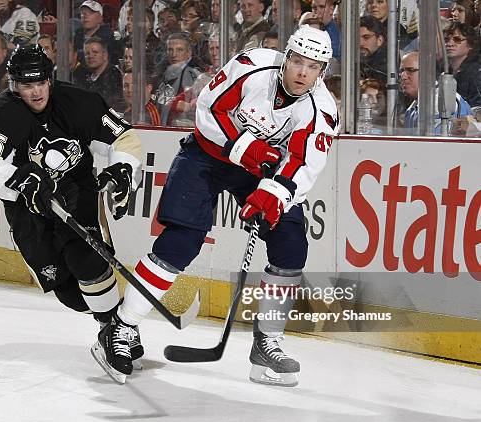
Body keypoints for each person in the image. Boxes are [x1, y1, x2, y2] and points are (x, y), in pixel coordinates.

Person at [96, 26, 339, 385]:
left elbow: (303, 163)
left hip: (260, 171)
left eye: (313, 67)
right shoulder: (252, 66)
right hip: (207, 157)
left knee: (291, 243)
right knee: (181, 242)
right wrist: (248, 147)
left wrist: (273, 195)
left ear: (323, 71)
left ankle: (267, 342)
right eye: (298, 61)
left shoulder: (322, 110)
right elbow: (208, 111)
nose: (303, 72)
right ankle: (121, 327)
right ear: (286, 57)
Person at [0, 45, 145, 382]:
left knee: (89, 261)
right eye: (26, 85)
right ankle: (114, 320)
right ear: (14, 85)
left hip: (77, 195)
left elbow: (123, 137)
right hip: (30, 212)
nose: (35, 92)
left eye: (40, 83)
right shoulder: (5, 114)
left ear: (50, 79)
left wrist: (122, 168)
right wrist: (21, 181)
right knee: (71, 296)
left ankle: (114, 330)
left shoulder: (80, 102)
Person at [400, 51, 472, 135]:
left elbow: (435, 146)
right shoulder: (415, 106)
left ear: (428, 73)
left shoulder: (443, 105)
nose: (403, 76)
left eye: (410, 70)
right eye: (401, 71)